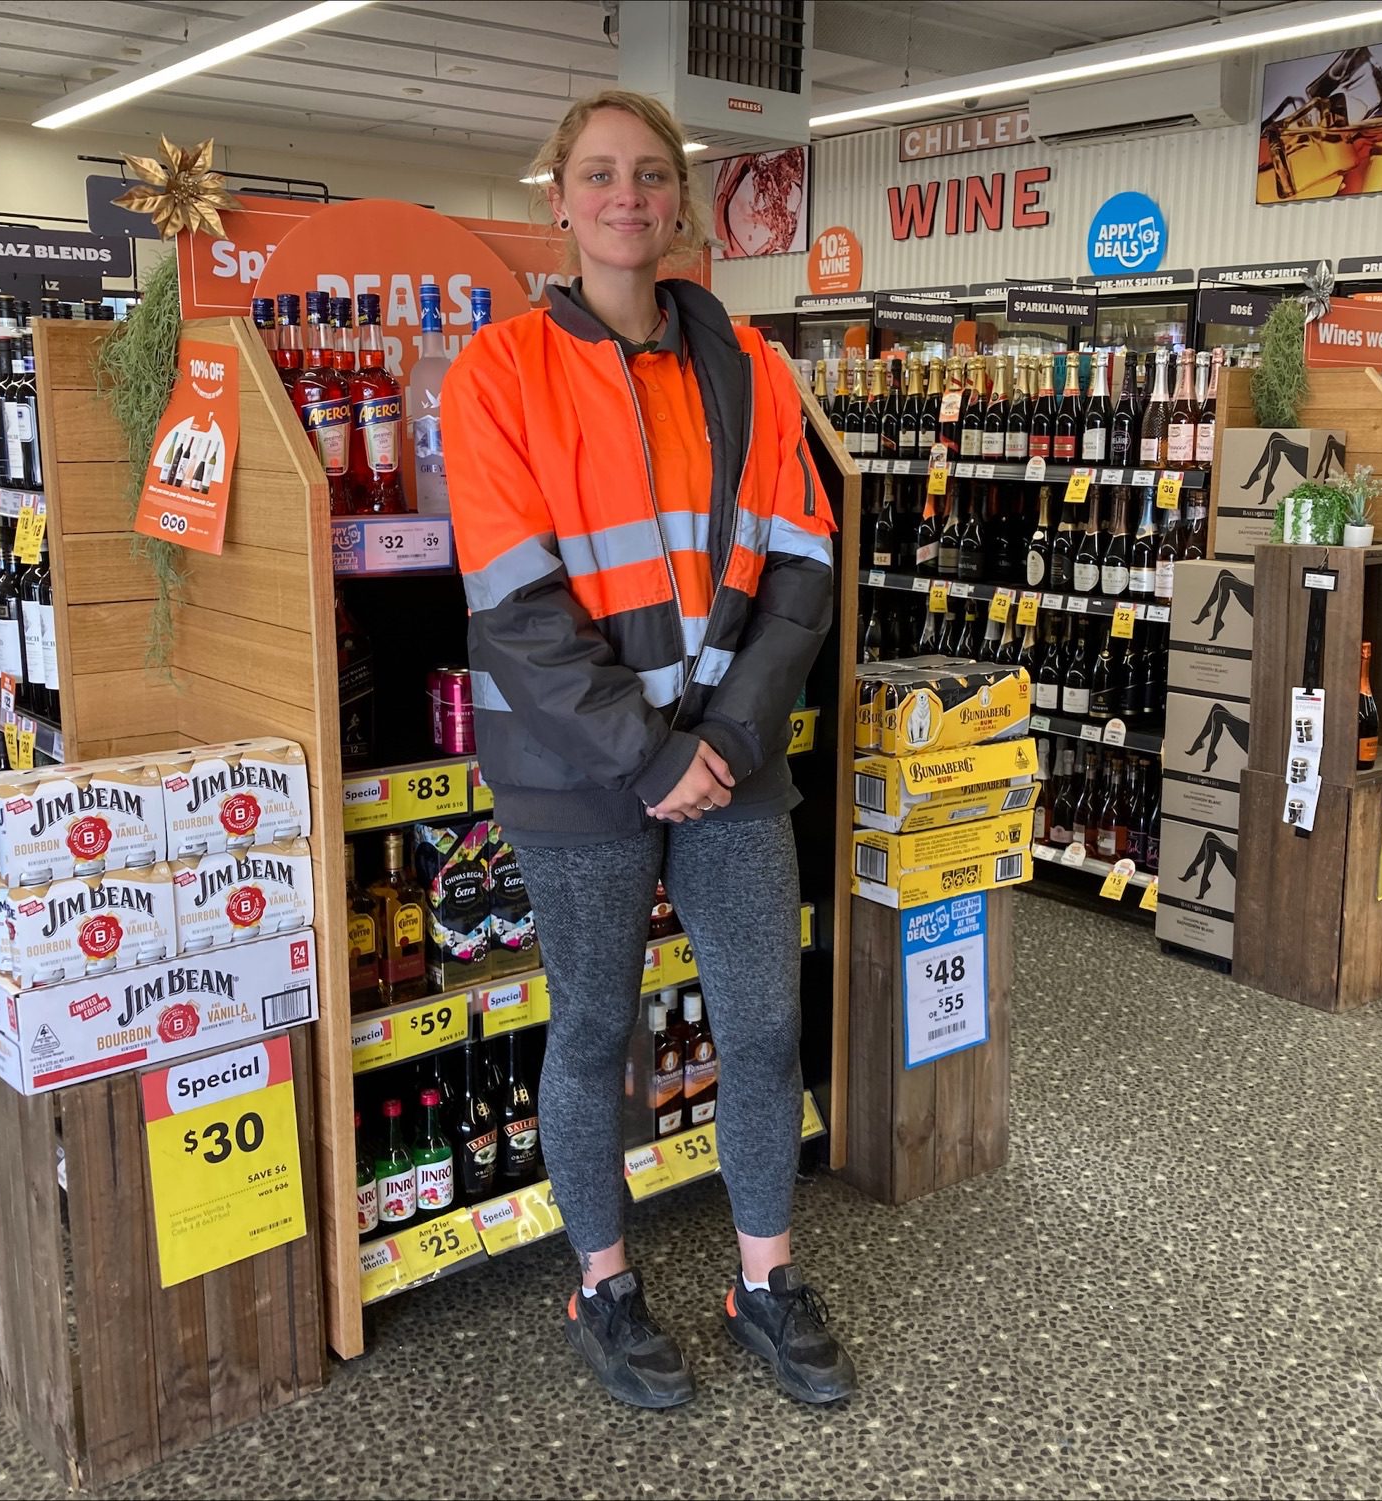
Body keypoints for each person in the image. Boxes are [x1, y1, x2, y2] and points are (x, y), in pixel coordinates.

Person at [441, 89, 854, 1410]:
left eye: (653, 174)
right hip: (578, 775)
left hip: (729, 762)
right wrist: (645, 751)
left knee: (762, 1019)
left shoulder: (752, 367)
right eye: (599, 174)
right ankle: (603, 1285)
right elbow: (514, 609)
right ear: (556, 199)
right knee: (595, 1029)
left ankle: (765, 1278)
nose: (628, 195)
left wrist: (726, 735)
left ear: (678, 201)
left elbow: (802, 563)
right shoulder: (496, 375)